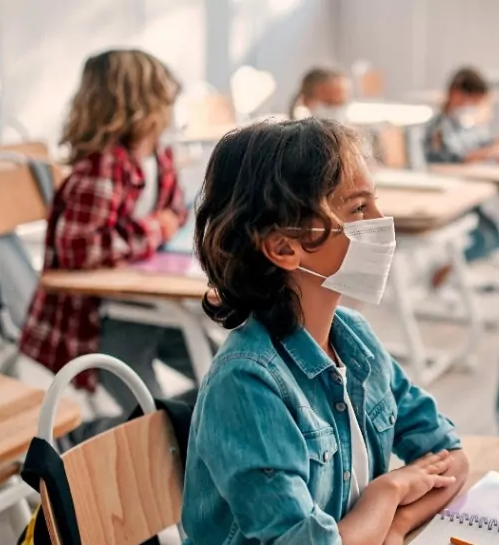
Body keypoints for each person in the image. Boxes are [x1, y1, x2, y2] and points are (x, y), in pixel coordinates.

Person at [182, 118, 468, 545]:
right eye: (357, 209)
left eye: (375, 202)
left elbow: (452, 458)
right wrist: (387, 492)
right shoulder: (247, 382)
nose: (381, 221)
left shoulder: (353, 338)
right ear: (283, 248)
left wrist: (394, 527)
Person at [18, 49, 197, 416]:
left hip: (147, 299)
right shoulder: (101, 168)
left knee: (218, 365)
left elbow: (178, 210)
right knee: (158, 417)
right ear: (141, 106)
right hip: (101, 316)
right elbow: (80, 251)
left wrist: (162, 224)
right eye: (165, 100)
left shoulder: (159, 158)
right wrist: (155, 227)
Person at [422, 67, 499, 288]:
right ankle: (446, 269)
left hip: (467, 190)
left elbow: (479, 145)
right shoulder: (439, 127)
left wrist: (496, 147)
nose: (472, 107)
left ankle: (452, 270)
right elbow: (451, 158)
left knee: (495, 235)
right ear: (456, 93)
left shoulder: (464, 125)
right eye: (471, 100)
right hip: (450, 191)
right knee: (488, 237)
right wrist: (488, 153)